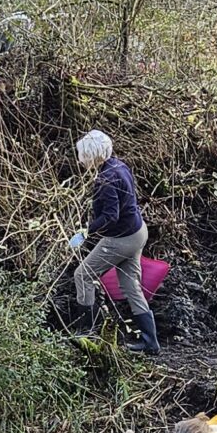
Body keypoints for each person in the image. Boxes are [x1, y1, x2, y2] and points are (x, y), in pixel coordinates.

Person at [68, 130, 158, 355]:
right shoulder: (119, 166)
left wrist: (85, 232)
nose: (80, 160)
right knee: (130, 286)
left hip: (121, 239)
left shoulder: (106, 180)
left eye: (82, 155)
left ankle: (85, 333)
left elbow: (110, 216)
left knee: (83, 275)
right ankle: (150, 343)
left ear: (92, 154)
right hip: (137, 231)